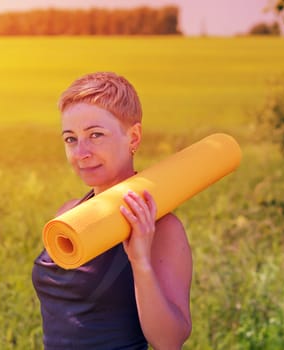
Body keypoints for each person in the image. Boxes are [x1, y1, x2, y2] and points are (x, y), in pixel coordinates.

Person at [32, 72, 192, 349]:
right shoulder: (67, 214)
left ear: (133, 137)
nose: (81, 152)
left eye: (96, 135)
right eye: (71, 139)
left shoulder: (162, 228)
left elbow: (169, 342)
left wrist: (140, 263)